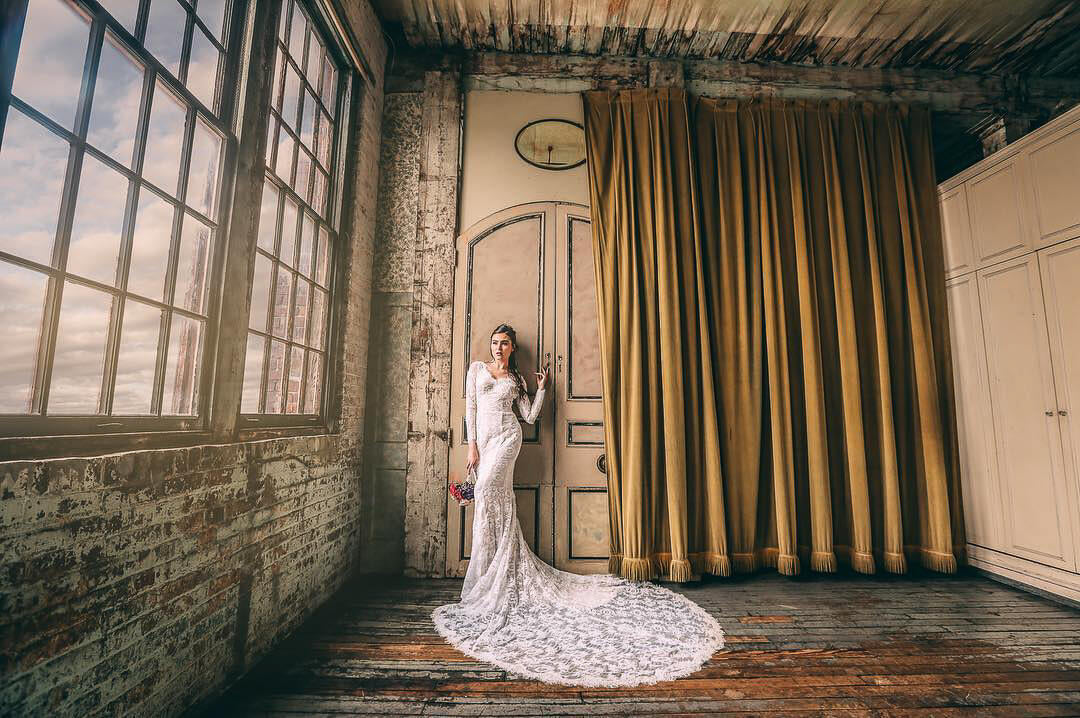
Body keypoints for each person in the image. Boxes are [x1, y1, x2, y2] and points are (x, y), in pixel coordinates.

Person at [432, 323, 725, 687]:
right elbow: (470, 408)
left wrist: (541, 389)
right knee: (490, 503)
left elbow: (529, 417)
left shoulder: (516, 379)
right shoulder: (476, 370)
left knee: (491, 492)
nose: (498, 347)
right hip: (484, 443)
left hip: (508, 439)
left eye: (504, 343)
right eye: (494, 342)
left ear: (512, 348)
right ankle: (490, 572)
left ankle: (496, 571)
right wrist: (471, 446)